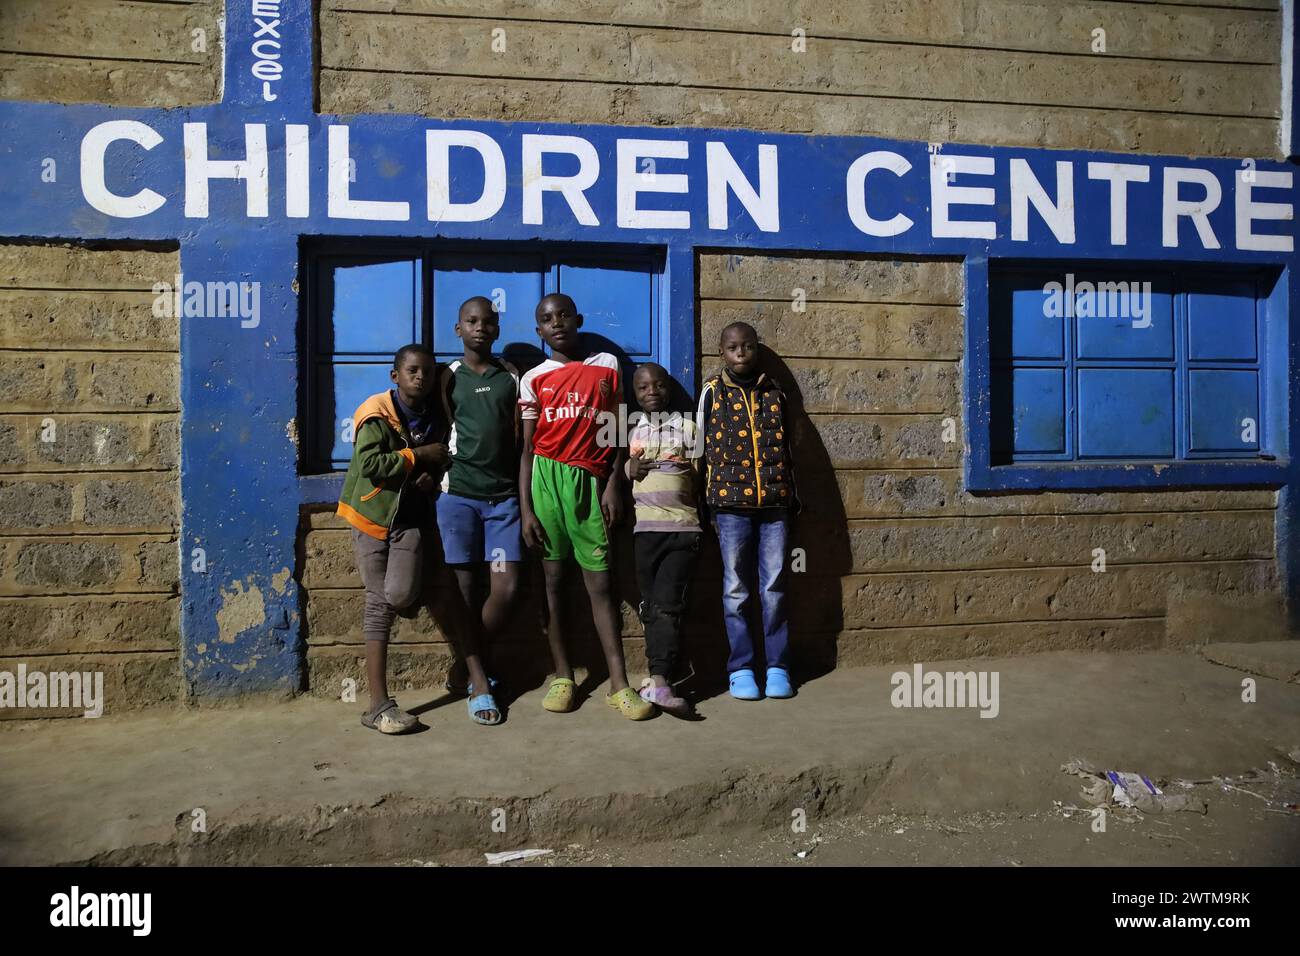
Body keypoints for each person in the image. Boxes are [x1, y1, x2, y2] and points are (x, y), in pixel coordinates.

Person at [518, 293, 652, 720]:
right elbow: (525, 449)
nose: (555, 323)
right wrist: (526, 510)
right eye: (545, 319)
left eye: (562, 316)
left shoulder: (607, 366)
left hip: (590, 484)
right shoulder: (534, 378)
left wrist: (614, 483)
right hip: (545, 482)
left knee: (601, 585)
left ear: (577, 320)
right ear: (538, 330)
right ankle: (563, 676)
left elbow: (615, 432)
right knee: (554, 583)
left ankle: (619, 683)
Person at [336, 343, 448, 733]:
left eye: (428, 372)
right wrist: (417, 458)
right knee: (378, 603)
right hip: (371, 517)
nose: (421, 378)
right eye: (413, 371)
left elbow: (443, 456)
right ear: (395, 376)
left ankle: (379, 706)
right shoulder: (375, 413)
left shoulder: (436, 413)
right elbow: (369, 465)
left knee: (398, 596)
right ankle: (378, 706)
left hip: (410, 520)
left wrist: (428, 473)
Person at [696, 322, 800, 701]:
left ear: (757, 350)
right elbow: (699, 451)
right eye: (733, 347)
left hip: (774, 506)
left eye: (748, 346)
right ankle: (741, 669)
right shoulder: (712, 393)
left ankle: (777, 666)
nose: (741, 353)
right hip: (729, 507)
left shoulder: (776, 392)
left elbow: (792, 448)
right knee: (735, 589)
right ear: (721, 352)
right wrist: (703, 505)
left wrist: (793, 499)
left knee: (773, 588)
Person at [435, 296, 523, 726]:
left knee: (504, 590)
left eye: (488, 322)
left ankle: (472, 662)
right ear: (458, 329)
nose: (480, 328)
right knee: (464, 592)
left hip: (503, 502)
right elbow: (440, 426)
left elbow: (520, 438)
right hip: (458, 500)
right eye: (471, 321)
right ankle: (480, 682)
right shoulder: (447, 377)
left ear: (497, 328)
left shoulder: (510, 376)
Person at [626, 362, 700, 717]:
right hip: (644, 533)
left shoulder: (687, 428)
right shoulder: (629, 432)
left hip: (683, 531)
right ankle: (662, 676)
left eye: (658, 385)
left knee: (669, 603)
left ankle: (660, 678)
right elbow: (614, 473)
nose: (651, 392)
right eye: (642, 387)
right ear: (635, 393)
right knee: (651, 607)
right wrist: (628, 468)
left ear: (669, 389)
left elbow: (704, 478)